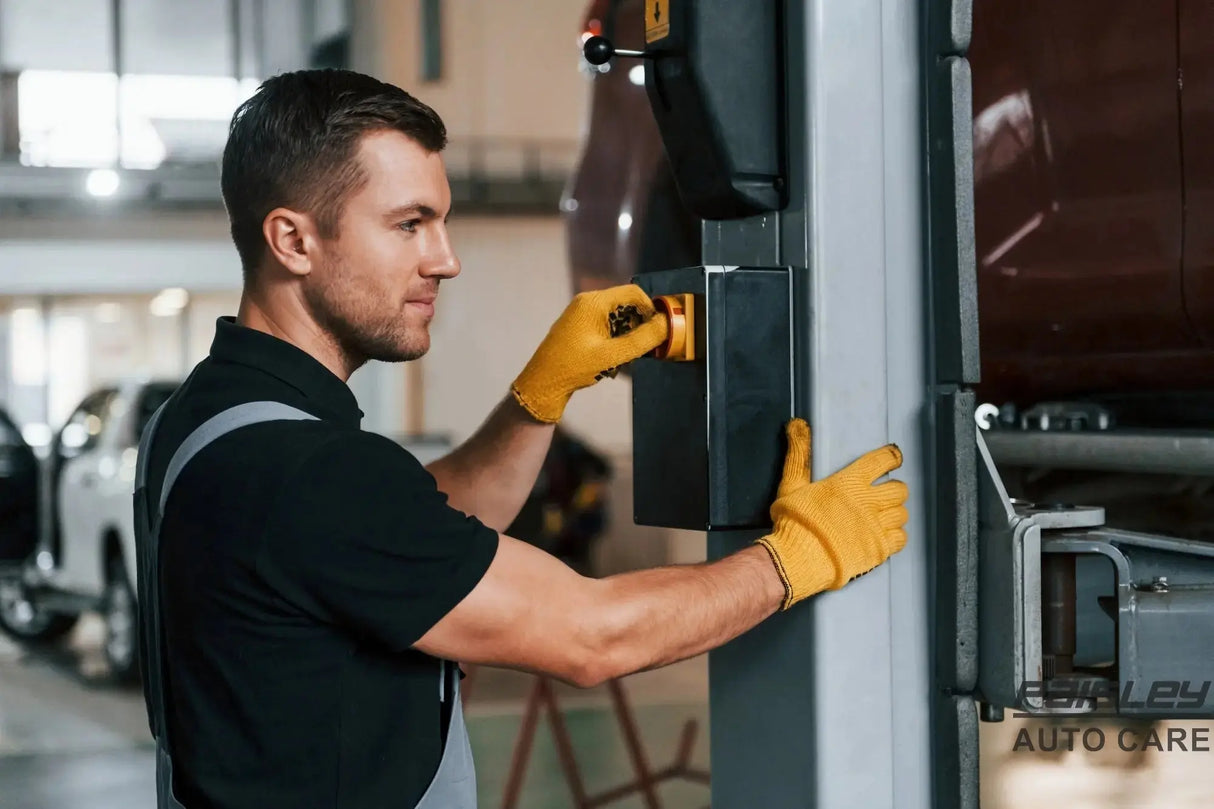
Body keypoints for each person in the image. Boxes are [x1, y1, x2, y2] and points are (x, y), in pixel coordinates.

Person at [134, 69, 910, 809]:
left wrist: (541, 395)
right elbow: (592, 635)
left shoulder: (202, 422)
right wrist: (797, 556)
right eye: (410, 225)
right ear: (293, 242)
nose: (446, 260)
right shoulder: (309, 471)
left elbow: (409, 531)